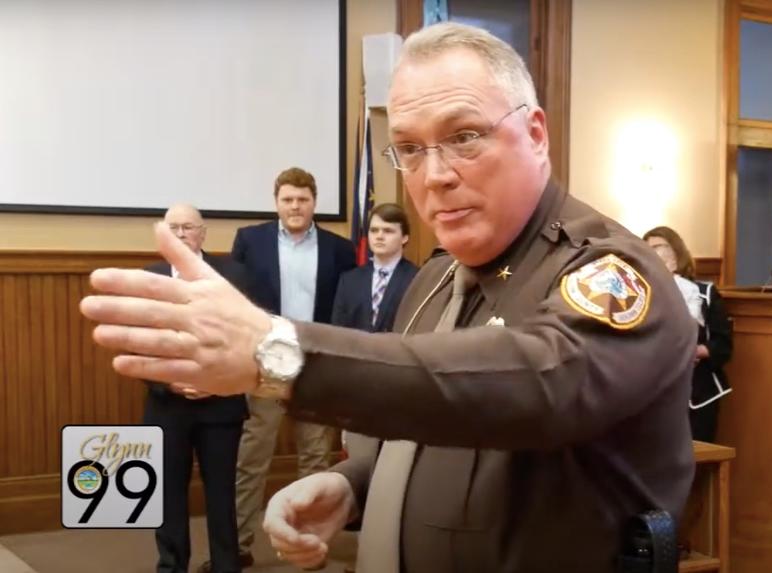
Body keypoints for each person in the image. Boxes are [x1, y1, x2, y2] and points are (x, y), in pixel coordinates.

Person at [81, 22, 695, 573]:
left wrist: (277, 350)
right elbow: (429, 418)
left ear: (535, 133)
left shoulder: (611, 271)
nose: (435, 174)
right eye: (409, 148)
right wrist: (355, 484)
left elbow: (535, 386)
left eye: (465, 136)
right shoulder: (432, 280)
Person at [222, 167, 357, 570]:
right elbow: (238, 300)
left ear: (314, 202)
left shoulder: (340, 249)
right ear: (276, 202)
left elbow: (344, 306)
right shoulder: (251, 241)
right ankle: (239, 544)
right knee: (252, 457)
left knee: (314, 458)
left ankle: (307, 547)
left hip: (315, 365)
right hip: (264, 365)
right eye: (287, 199)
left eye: (302, 199)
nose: (295, 207)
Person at [142, 204, 248, 573]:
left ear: (203, 233)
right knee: (168, 495)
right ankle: (171, 566)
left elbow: (246, 341)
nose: (182, 234)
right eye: (174, 228)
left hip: (221, 406)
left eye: (189, 227)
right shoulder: (149, 278)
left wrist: (216, 382)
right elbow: (138, 344)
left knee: (221, 496)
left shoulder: (233, 275)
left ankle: (226, 565)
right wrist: (169, 380)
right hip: (167, 407)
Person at [643, 226, 733, 442]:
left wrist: (697, 351)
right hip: (654, 394)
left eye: (659, 247)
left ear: (676, 252)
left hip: (699, 394)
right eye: (647, 249)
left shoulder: (704, 293)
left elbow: (723, 345)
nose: (654, 254)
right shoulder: (641, 295)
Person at [330, 202, 418, 333]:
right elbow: (338, 330)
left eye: (388, 231)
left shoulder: (417, 278)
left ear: (404, 238)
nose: (379, 236)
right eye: (374, 230)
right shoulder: (349, 280)